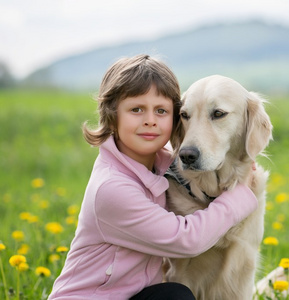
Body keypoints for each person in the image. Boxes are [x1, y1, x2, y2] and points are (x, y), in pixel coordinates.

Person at [48, 54, 258, 300]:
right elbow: (186, 240)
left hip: (132, 295)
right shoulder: (111, 188)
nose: (150, 121)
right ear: (112, 115)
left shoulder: (160, 165)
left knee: (171, 294)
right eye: (136, 109)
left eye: (161, 111)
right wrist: (240, 196)